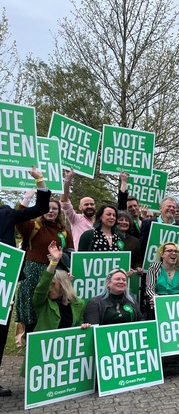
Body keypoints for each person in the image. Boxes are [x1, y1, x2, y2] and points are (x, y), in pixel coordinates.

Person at [0, 168, 50, 397]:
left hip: (4, 283)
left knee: (0, 333)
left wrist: (39, 180)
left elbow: (40, 208)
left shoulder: (7, 213)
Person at [21, 241, 85, 377]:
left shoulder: (78, 303)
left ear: (63, 285)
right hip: (44, 361)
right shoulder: (43, 303)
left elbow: (79, 327)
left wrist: (84, 327)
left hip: (67, 360)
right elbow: (42, 286)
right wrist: (53, 263)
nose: (49, 288)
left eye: (53, 284)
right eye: (48, 285)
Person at [15, 198, 75, 335]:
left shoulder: (64, 232)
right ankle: (30, 344)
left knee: (51, 311)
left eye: (54, 208)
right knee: (32, 313)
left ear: (58, 212)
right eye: (47, 208)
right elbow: (19, 220)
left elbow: (71, 253)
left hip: (54, 276)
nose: (51, 211)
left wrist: (62, 263)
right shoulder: (33, 226)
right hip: (32, 275)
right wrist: (25, 200)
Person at [146, 242, 179, 371]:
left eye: (176, 251)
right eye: (169, 251)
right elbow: (149, 289)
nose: (173, 253)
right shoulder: (154, 267)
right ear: (162, 254)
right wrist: (155, 298)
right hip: (161, 303)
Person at [60, 168, 96, 249]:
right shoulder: (76, 219)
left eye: (92, 204)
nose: (89, 206)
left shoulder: (101, 221)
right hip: (81, 258)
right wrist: (67, 179)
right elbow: (64, 201)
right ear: (80, 207)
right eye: (86, 204)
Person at [117, 171, 142, 238]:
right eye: (130, 207)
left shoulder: (145, 222)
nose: (133, 208)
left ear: (138, 206)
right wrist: (124, 182)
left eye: (135, 206)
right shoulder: (126, 223)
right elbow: (122, 200)